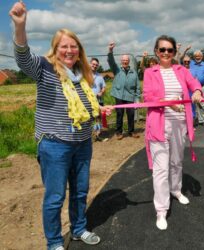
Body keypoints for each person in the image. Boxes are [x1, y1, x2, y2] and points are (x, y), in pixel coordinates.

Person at [9, 1, 114, 249]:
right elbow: (23, 57)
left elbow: (83, 105)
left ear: (79, 50)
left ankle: (78, 229)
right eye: (64, 46)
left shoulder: (83, 74)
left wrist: (98, 109)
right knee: (55, 198)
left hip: (82, 143)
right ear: (55, 49)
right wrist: (20, 26)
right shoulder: (45, 69)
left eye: (73, 46)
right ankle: (54, 242)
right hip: (55, 145)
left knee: (80, 192)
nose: (69, 50)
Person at [143, 35, 202, 231]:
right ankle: (161, 209)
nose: (166, 53)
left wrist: (197, 92)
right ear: (156, 52)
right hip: (158, 124)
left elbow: (194, 83)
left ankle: (175, 190)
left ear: (174, 53)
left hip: (179, 124)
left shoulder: (181, 70)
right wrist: (169, 103)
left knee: (176, 162)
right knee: (161, 169)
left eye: (169, 50)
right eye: (162, 50)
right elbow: (148, 96)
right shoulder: (150, 72)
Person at [107, 43, 140, 140]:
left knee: (131, 114)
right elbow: (111, 62)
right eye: (123, 60)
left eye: (126, 60)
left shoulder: (134, 72)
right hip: (119, 95)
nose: (125, 61)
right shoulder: (117, 70)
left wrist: (137, 98)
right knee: (119, 114)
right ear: (121, 61)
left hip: (130, 96)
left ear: (128, 61)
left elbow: (138, 85)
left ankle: (131, 132)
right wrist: (110, 51)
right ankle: (119, 132)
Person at [189, 49, 204, 125]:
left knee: (201, 103)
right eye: (196, 56)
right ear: (194, 57)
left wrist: (203, 80)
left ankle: (202, 119)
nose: (197, 57)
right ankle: (194, 119)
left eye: (199, 56)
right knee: (192, 103)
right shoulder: (190, 63)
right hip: (191, 88)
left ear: (202, 56)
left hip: (202, 87)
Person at [90, 58, 107, 141]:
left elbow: (104, 87)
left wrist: (101, 92)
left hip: (99, 100)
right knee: (89, 118)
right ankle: (89, 136)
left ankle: (98, 134)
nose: (94, 66)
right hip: (88, 101)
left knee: (98, 118)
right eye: (93, 64)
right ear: (90, 64)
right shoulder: (85, 75)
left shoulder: (100, 76)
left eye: (96, 65)